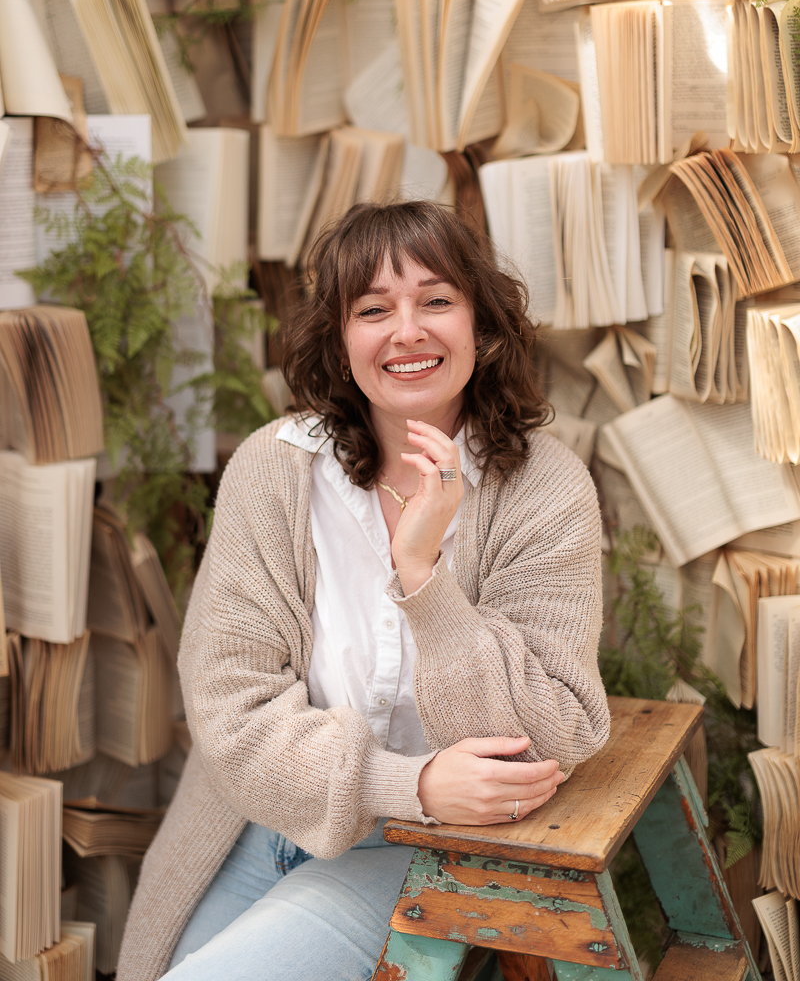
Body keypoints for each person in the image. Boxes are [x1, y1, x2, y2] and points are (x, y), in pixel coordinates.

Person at [116, 201, 610, 981]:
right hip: (255, 818)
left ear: (481, 326)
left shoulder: (544, 488)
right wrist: (410, 782)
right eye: (373, 310)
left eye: (436, 301)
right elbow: (229, 705)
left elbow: (548, 736)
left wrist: (423, 576)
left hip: (411, 848)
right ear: (340, 341)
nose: (406, 332)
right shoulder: (274, 470)